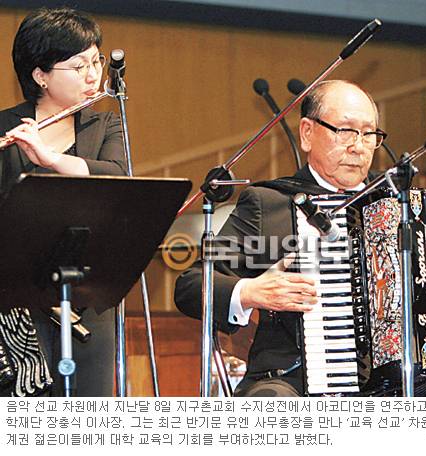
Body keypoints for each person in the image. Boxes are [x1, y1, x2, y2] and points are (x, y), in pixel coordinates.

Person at [175, 80, 386, 396]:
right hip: (293, 380)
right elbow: (191, 285)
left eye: (368, 134)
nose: (358, 146)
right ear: (307, 133)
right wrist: (250, 292)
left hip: (393, 383)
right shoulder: (269, 203)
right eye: (345, 131)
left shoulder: (394, 207)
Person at [0, 7, 127, 396]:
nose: (93, 75)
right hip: (15, 307)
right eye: (78, 66)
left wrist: (50, 158)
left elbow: (116, 178)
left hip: (88, 300)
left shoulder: (107, 124)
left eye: (96, 61)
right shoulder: (6, 128)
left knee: (89, 418)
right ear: (40, 75)